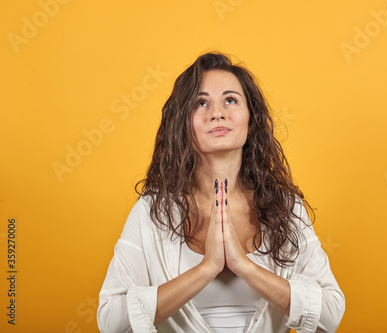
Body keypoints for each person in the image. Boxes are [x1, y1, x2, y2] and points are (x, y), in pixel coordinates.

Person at [97, 52, 345, 333]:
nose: (217, 112)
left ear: (250, 120)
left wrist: (244, 266)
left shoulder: (285, 208)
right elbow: (110, 322)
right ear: (183, 124)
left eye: (230, 100)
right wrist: (206, 268)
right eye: (201, 103)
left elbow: (330, 314)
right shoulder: (151, 212)